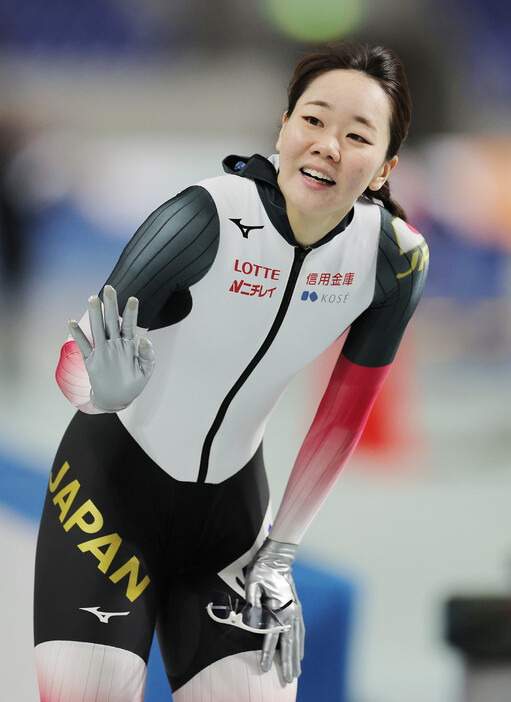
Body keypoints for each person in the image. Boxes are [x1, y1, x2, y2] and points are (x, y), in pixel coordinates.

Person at [34, 41, 429, 702]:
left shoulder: (392, 260)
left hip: (231, 526)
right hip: (110, 498)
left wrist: (280, 554)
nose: (328, 145)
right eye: (312, 120)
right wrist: (100, 393)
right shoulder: (202, 217)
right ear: (282, 127)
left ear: (385, 167)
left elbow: (341, 418)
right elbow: (77, 358)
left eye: (356, 135)